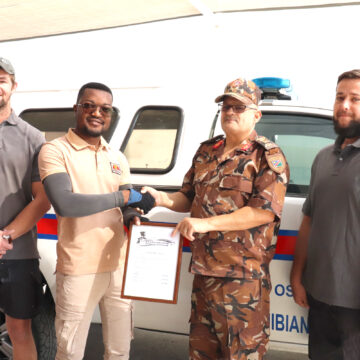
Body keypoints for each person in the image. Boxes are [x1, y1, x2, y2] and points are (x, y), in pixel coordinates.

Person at [143, 78, 290, 360]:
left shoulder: (267, 156)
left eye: (239, 107)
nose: (230, 112)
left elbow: (262, 211)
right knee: (201, 354)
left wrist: (204, 224)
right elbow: (187, 197)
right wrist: (160, 197)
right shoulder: (206, 151)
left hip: (242, 282)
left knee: (241, 355)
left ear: (256, 114)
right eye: (226, 107)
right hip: (203, 277)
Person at [38, 82, 154, 360]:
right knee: (69, 352)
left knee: (119, 350)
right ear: (76, 108)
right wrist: (123, 198)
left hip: (119, 267)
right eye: (89, 105)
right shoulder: (55, 151)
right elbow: (65, 204)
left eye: (105, 108)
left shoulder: (116, 156)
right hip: (80, 267)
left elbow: (126, 206)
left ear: (111, 115)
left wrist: (133, 216)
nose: (96, 113)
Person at [290, 70, 360, 360]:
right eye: (340, 97)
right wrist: (297, 275)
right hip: (319, 296)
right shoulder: (322, 157)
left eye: (355, 99)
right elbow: (309, 220)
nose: (344, 105)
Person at [0, 57, 51, 360]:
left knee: (20, 330)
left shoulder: (33, 137)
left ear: (14, 86)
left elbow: (42, 198)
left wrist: (5, 236)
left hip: (16, 253)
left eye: (2, 80)